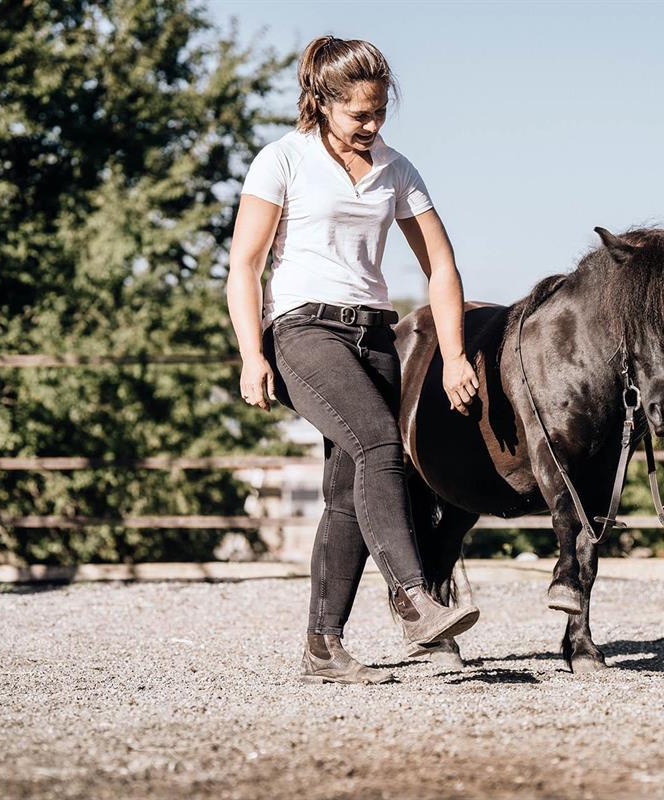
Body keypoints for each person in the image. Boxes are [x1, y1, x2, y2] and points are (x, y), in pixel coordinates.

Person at [225, 35, 481, 685]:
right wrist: (252, 353)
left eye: (379, 113)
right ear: (321, 101)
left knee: (347, 493)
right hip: (302, 331)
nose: (371, 126)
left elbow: (441, 266)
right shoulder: (282, 160)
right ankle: (413, 596)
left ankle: (323, 648)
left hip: (375, 337)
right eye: (359, 114)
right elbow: (246, 266)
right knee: (379, 446)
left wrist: (453, 355)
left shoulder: (397, 170)